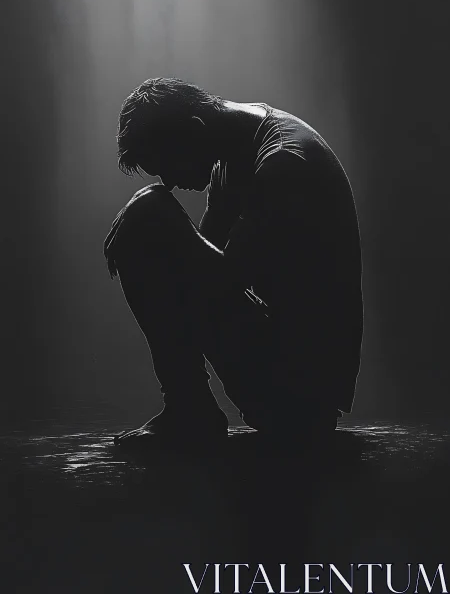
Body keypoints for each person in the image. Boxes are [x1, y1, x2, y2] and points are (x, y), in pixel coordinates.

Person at [104, 77, 363, 445]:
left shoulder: (284, 163)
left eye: (167, 165)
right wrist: (157, 216)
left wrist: (156, 207)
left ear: (195, 131)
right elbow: (199, 267)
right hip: (284, 378)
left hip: (301, 402)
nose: (171, 181)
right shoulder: (234, 155)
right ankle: (188, 408)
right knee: (150, 227)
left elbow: (223, 281)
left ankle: (189, 410)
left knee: (151, 217)